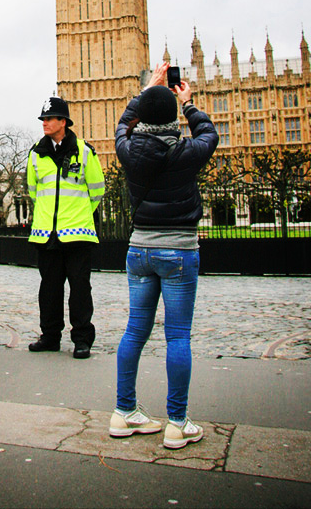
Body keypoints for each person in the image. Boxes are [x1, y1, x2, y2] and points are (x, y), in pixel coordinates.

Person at [110, 63, 218, 448]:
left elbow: (123, 122)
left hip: (139, 249)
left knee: (134, 331)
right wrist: (187, 103)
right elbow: (209, 133)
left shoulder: (127, 150)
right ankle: (177, 422)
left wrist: (148, 90)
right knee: (177, 336)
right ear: (172, 116)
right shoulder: (188, 151)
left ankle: (124, 413)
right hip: (178, 251)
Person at [27, 96, 105, 358]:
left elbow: (97, 190)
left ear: (63, 122)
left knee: (80, 289)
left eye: (49, 119)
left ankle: (82, 339)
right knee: (48, 288)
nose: (45, 123)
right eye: (43, 119)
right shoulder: (36, 154)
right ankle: (50, 336)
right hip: (46, 233)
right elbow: (34, 191)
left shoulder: (84, 152)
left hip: (78, 234)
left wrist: (77, 214)